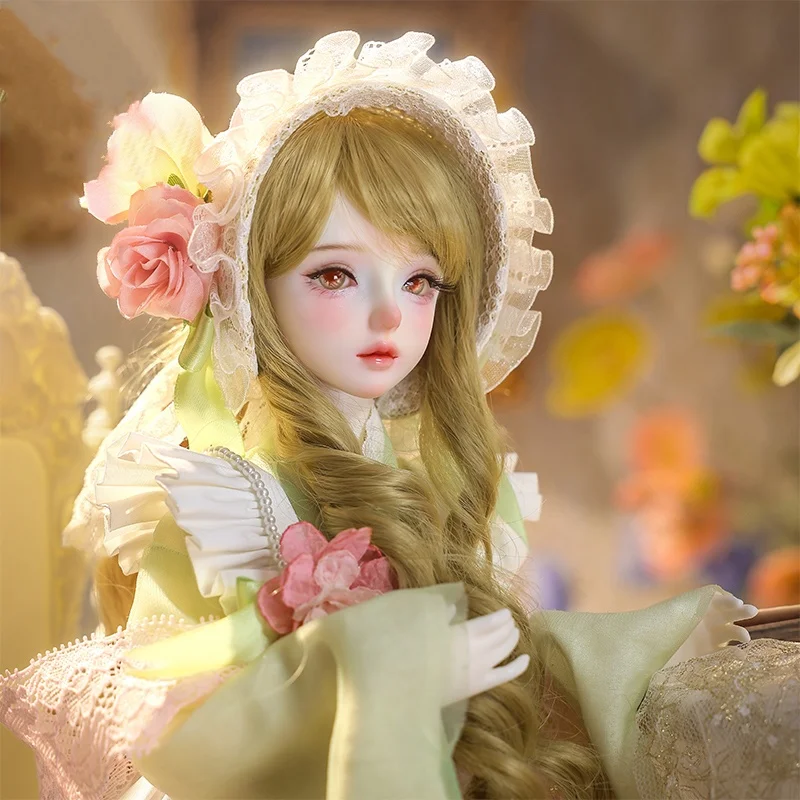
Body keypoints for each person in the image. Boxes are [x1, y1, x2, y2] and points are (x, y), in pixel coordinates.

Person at [2, 31, 793, 800]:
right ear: (250, 282)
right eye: (335, 275)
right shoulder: (224, 496)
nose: (389, 315)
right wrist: (385, 673)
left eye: (419, 282)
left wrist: (644, 648)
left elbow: (506, 643)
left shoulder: (427, 468)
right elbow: (178, 729)